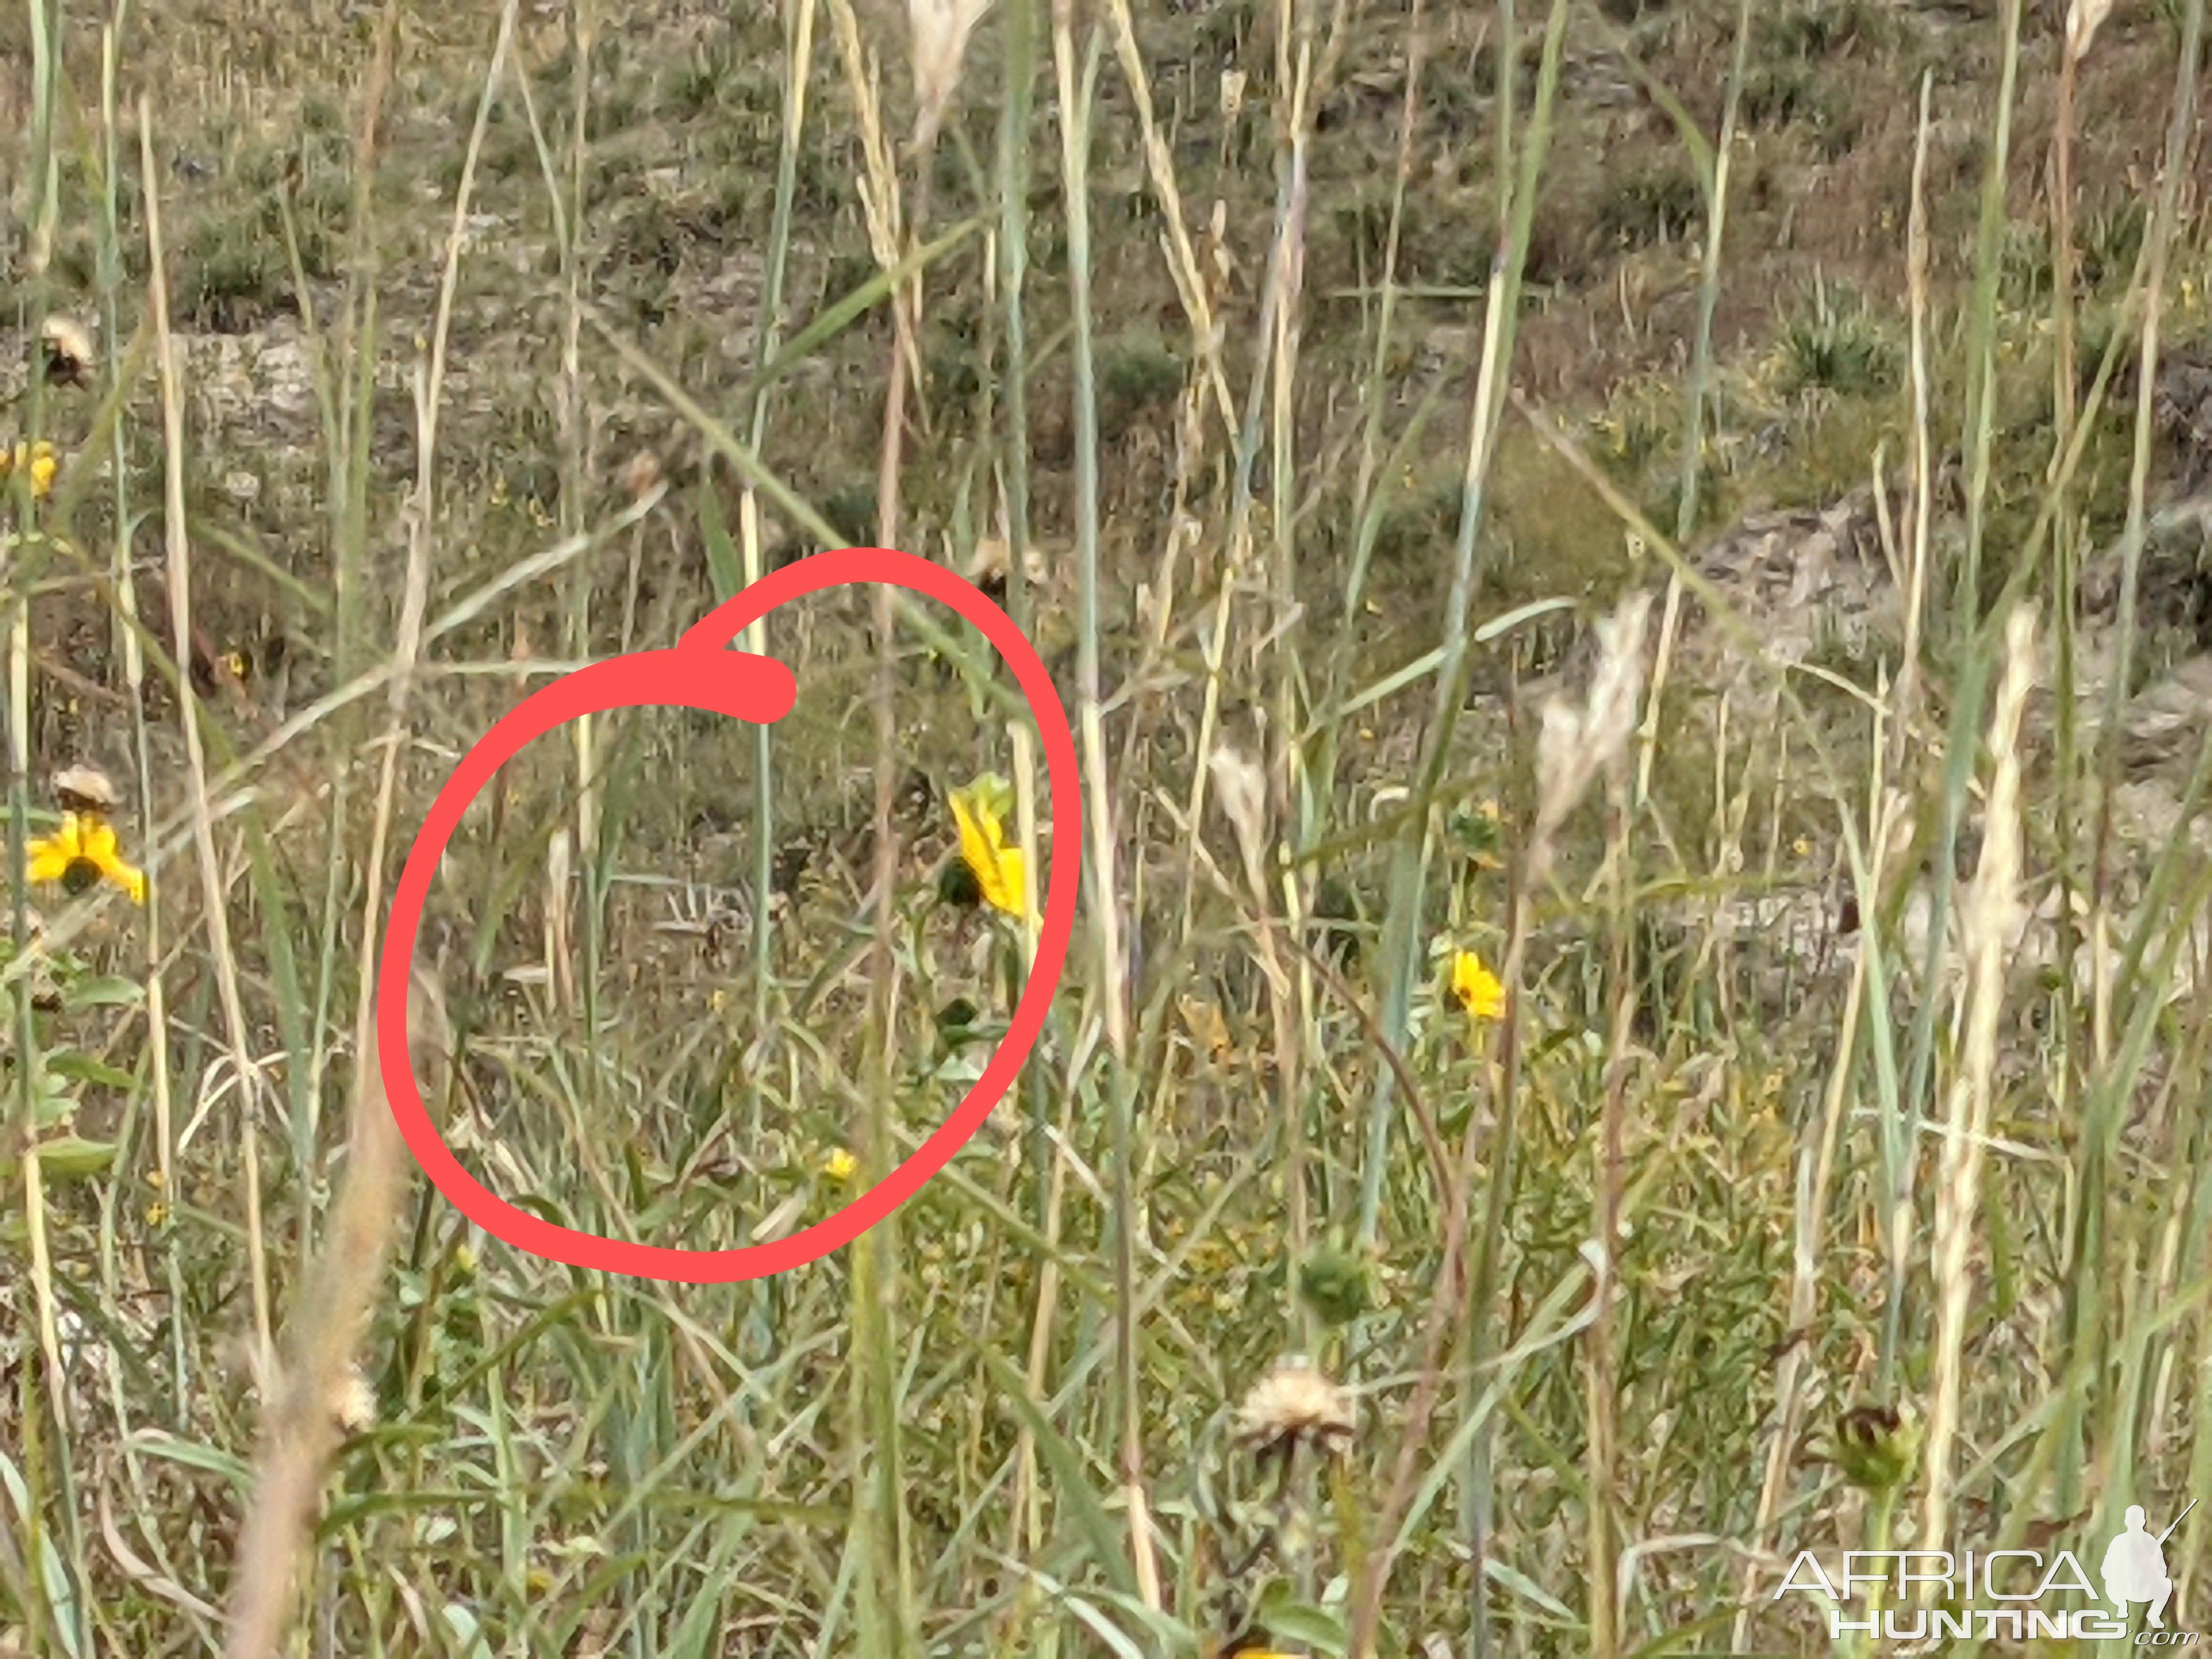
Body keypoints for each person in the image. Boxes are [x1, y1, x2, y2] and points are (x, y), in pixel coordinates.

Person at [2102, 1506, 2175, 1629]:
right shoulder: (2119, 1542)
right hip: (2123, 1590)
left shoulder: (2151, 1542)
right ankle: (2122, 1607)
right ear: (2127, 1522)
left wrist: (2151, 1568)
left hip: (2144, 1590)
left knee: (2167, 1584)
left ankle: (2154, 1615)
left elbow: (2162, 1570)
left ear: (2144, 1522)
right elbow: (2106, 1569)